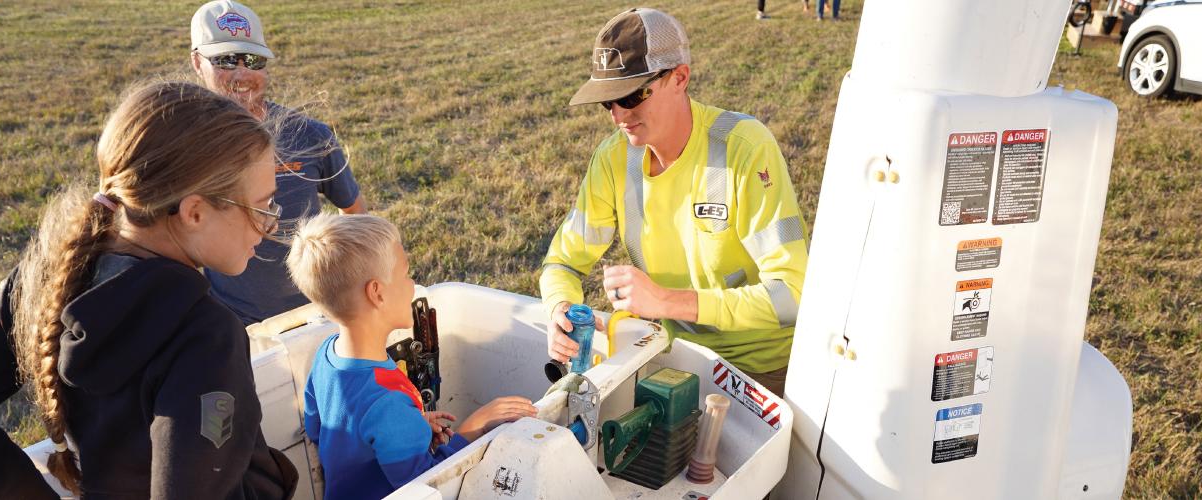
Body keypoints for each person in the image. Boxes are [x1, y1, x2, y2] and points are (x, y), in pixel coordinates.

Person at [0, 81, 298, 498]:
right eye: (263, 206)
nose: (270, 225)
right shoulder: (204, 336)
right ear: (194, 212)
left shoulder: (44, 276)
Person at [540, 8, 810, 396]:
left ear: (680, 77)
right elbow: (563, 261)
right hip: (667, 357)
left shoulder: (744, 148)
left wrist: (668, 302)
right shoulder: (613, 158)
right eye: (607, 102)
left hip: (757, 369)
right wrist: (559, 308)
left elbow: (792, 295)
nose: (618, 115)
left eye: (631, 96)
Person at [287, 213, 537, 498]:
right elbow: (428, 485)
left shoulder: (326, 355)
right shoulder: (387, 403)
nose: (412, 283)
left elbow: (318, 429)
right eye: (405, 274)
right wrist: (472, 428)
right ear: (377, 293)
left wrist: (408, 430)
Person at [190, 0, 368, 325]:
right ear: (197, 62)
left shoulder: (310, 135)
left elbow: (354, 212)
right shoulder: (183, 148)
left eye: (254, 60)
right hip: (234, 322)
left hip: (315, 312)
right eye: (226, 60)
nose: (243, 73)